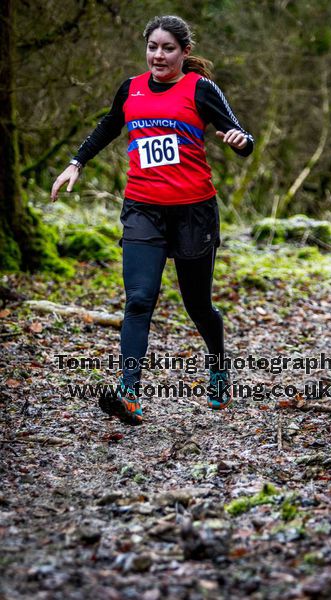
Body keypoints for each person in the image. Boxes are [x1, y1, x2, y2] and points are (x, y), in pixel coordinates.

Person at [51, 15, 254, 426]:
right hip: (143, 209)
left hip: (194, 211)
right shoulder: (131, 88)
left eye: (168, 49)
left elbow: (242, 138)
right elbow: (110, 124)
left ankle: (217, 367)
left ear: (184, 53)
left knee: (198, 306)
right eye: (153, 47)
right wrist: (77, 161)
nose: (158, 55)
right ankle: (128, 391)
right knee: (139, 300)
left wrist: (241, 140)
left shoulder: (200, 89)